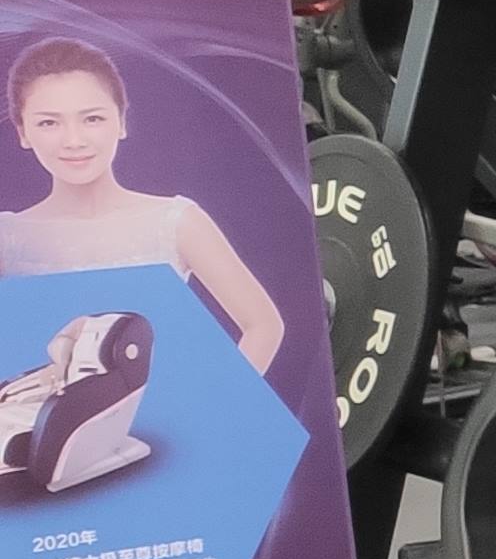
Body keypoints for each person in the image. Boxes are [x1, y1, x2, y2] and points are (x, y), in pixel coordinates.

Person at [0, 36, 287, 372]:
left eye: (92, 119)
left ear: (121, 121)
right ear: (23, 132)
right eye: (49, 123)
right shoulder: (8, 237)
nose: (73, 140)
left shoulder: (176, 222)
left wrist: (214, 400)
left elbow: (263, 325)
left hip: (164, 405)